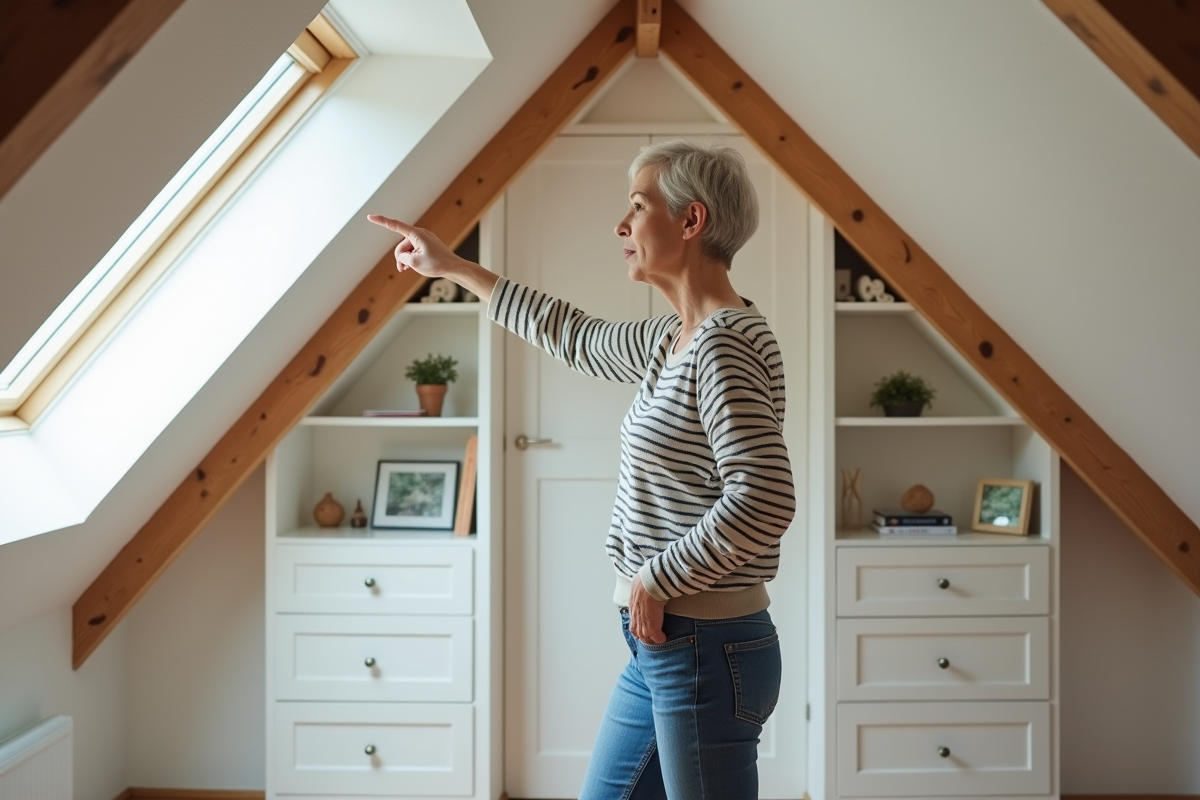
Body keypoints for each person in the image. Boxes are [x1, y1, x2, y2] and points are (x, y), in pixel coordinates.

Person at [369, 139, 795, 800]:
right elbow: (571, 333)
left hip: (706, 647)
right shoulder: (672, 339)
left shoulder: (723, 347)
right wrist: (451, 266)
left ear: (691, 222)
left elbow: (765, 498)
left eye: (637, 207)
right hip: (665, 645)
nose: (621, 227)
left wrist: (656, 577)